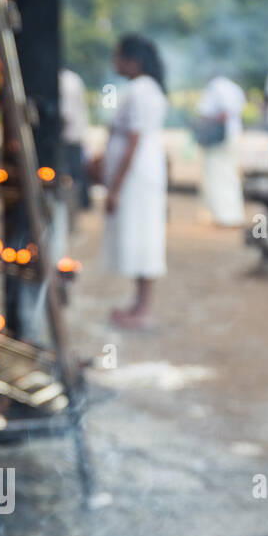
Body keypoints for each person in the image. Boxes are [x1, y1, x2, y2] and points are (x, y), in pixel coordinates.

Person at [102, 34, 168, 330]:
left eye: (119, 57)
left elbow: (134, 138)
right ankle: (139, 305)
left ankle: (143, 309)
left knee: (144, 238)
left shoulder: (141, 90)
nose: (115, 63)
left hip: (137, 178)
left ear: (133, 61)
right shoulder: (147, 89)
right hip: (144, 174)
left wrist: (115, 187)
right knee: (142, 236)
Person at [196, 72, 246, 226]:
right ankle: (232, 214)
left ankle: (224, 216)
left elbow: (221, 113)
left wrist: (206, 125)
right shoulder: (234, 88)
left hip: (219, 138)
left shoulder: (215, 87)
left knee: (218, 176)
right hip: (233, 135)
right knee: (230, 175)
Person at [59, 66, 91, 211]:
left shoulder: (66, 81)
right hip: (75, 133)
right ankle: (81, 203)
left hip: (69, 135)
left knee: (73, 172)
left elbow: (66, 114)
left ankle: (77, 205)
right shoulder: (72, 78)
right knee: (76, 170)